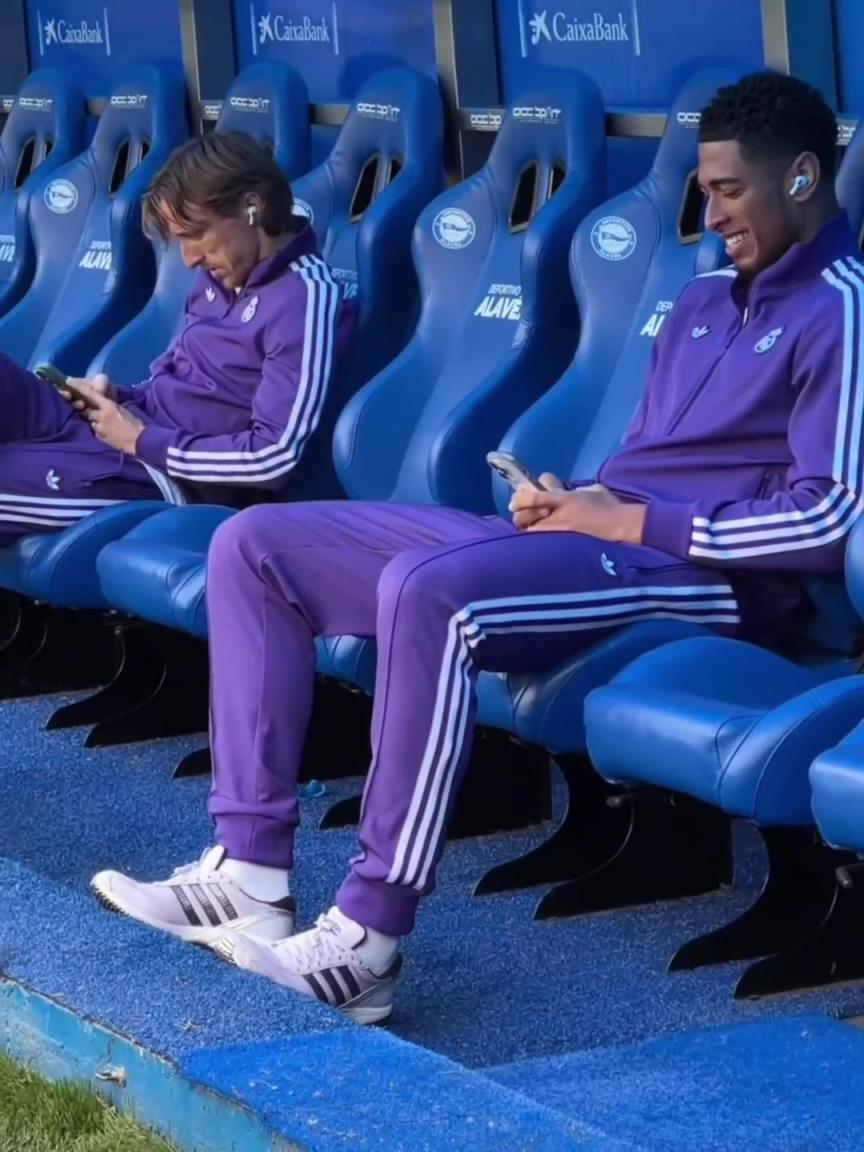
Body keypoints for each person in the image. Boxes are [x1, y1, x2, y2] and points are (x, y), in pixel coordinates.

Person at [92, 73, 863, 1025]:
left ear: (800, 178)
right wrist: (575, 501)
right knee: (255, 545)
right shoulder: (704, 299)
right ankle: (248, 874)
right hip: (603, 541)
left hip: (703, 580)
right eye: (704, 191)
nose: (710, 215)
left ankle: (366, 942)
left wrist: (633, 523)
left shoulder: (842, 305)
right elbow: (648, 463)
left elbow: (828, 519)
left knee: (434, 593)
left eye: (729, 191)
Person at [0, 132, 354, 545]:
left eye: (196, 234)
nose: (189, 259)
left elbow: (274, 457)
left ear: (252, 208)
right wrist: (117, 398)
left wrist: (142, 440)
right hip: (119, 432)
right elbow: (178, 386)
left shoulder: (303, 297)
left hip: (158, 478)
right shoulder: (220, 275)